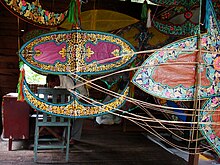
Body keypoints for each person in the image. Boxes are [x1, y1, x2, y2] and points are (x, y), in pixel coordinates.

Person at [46, 74, 88, 144]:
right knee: (65, 113)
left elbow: (73, 96)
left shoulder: (67, 80)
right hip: (70, 101)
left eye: (52, 84)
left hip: (81, 98)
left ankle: (74, 138)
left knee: (78, 115)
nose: (53, 86)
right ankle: (65, 134)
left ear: (56, 79)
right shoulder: (57, 84)